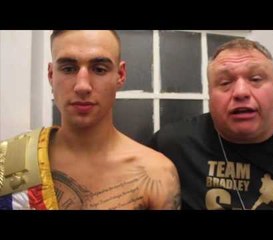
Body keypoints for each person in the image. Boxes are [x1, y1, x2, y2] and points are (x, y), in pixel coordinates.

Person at [0, 30, 180, 210]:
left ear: (120, 75)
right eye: (68, 69)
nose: (82, 86)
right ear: (51, 75)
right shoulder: (9, 162)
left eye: (99, 69)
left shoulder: (157, 174)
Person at [149, 38, 273, 210]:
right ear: (210, 94)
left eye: (256, 78)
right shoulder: (172, 146)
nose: (241, 92)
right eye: (225, 83)